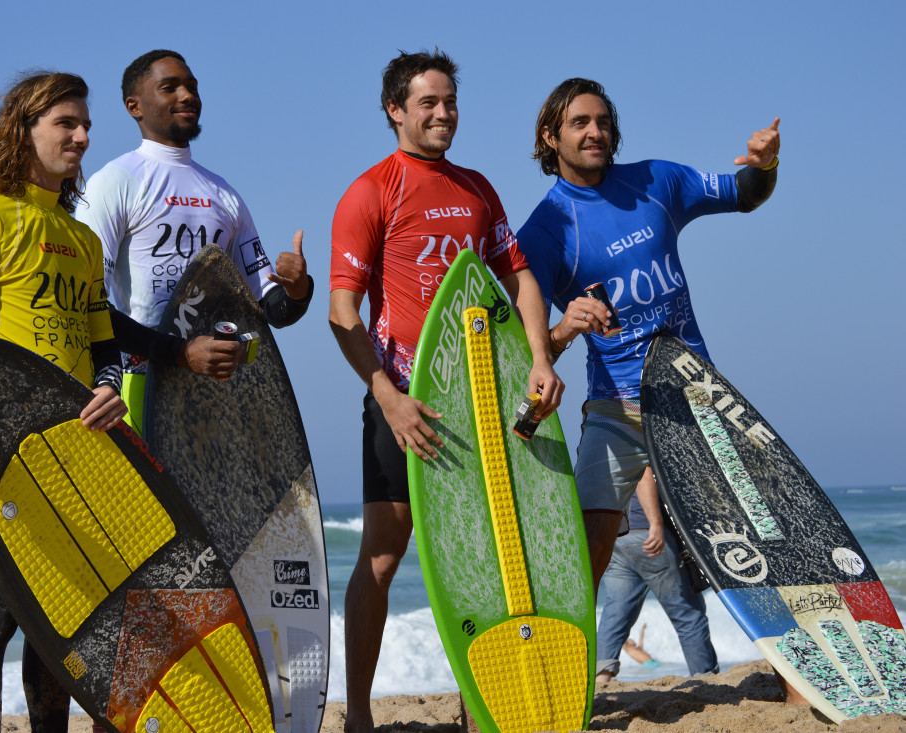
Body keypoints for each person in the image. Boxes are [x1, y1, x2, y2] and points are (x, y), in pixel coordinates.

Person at [328, 49, 564, 733]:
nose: (442, 113)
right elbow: (343, 314)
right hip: (403, 395)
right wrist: (389, 397)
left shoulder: (476, 189)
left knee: (489, 553)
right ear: (395, 110)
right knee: (383, 552)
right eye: (427, 102)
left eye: (449, 102)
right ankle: (361, 714)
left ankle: (479, 705)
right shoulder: (373, 191)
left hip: (478, 398)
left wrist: (539, 357)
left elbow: (517, 276)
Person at [0, 71, 128, 733]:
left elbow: (104, 346)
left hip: (74, 450)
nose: (82, 136)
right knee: (0, 606)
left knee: (57, 614)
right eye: (66, 122)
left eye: (85, 124)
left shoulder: (84, 241)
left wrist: (110, 390)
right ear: (25, 128)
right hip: (1, 446)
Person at [515, 77, 781, 595]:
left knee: (752, 545)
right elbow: (531, 349)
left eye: (603, 122)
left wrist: (765, 165)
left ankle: (790, 672)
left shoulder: (657, 181)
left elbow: (745, 195)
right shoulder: (544, 231)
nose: (595, 133)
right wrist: (567, 326)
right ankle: (572, 672)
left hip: (694, 395)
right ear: (551, 138)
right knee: (586, 550)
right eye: (580, 123)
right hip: (617, 406)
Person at [76, 50, 312, 430]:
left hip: (215, 390)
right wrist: (178, 353)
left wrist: (299, 289)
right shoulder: (113, 183)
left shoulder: (225, 195)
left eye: (192, 87)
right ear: (133, 106)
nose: (187, 96)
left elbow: (272, 310)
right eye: (170, 87)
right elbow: (89, 307)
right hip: (142, 381)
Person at [595, 471, 718, 689]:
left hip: (617, 534)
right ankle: (706, 679)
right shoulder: (640, 436)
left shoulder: (603, 441)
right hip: (646, 533)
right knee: (688, 614)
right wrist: (656, 524)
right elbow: (643, 475)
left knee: (615, 614)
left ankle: (601, 681)